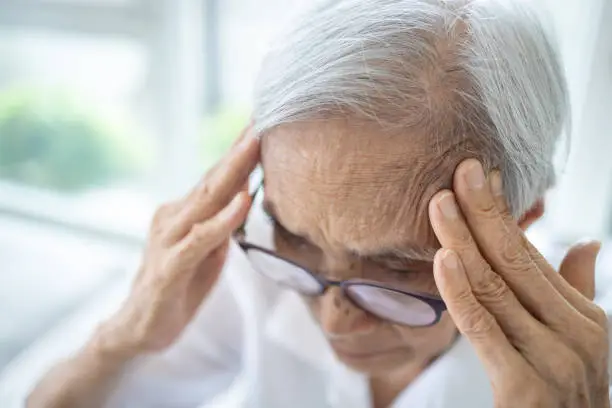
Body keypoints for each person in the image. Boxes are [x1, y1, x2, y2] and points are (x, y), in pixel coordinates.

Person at [26, 0, 611, 407]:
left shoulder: (588, 371)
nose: (334, 320)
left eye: (398, 267)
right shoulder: (257, 266)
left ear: (523, 219)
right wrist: (122, 337)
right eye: (296, 235)